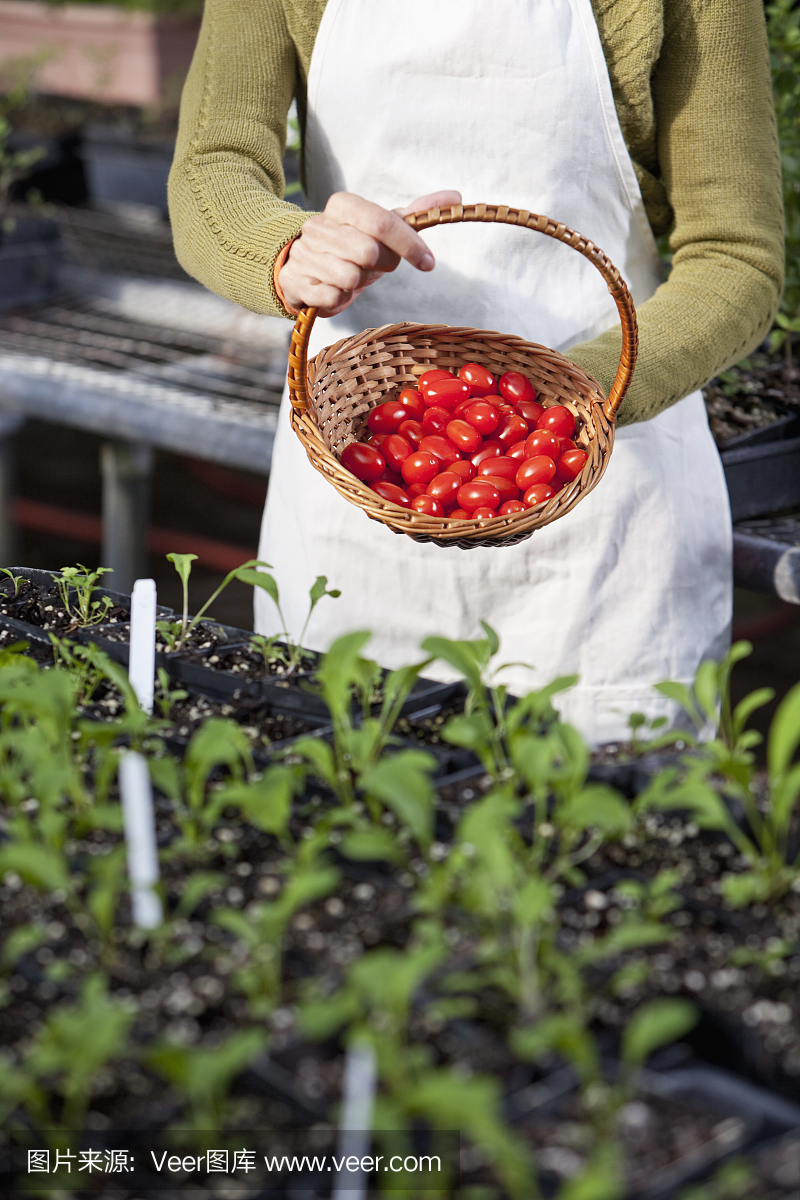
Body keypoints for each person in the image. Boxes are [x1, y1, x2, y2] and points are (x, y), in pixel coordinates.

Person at [168, 0, 784, 744]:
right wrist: (288, 249)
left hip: (602, 493)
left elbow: (736, 254)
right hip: (363, 468)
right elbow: (212, 166)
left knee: (605, 830)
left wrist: (566, 402)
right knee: (342, 802)